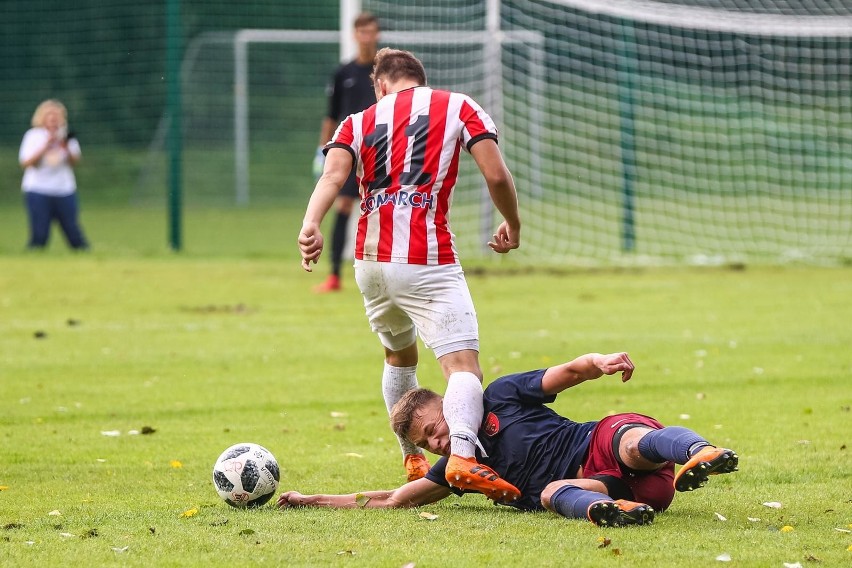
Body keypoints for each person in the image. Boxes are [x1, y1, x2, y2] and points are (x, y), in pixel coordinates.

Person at [298, 47, 523, 500]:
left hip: (370, 263)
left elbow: (331, 177)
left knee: (399, 358)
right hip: (426, 260)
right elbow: (496, 175)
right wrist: (513, 225)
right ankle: (461, 456)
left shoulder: (356, 121)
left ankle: (412, 455)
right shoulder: (458, 105)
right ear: (419, 78)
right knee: (463, 368)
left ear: (380, 85)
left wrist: (310, 224)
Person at [277, 352, 739, 527]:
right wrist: (311, 500)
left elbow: (566, 373)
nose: (438, 443)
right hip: (617, 489)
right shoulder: (460, 468)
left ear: (449, 404)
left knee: (633, 444)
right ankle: (619, 513)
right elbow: (395, 500)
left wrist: (597, 361)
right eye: (427, 442)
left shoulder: (498, 396)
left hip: (595, 444)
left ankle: (700, 453)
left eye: (435, 428)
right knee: (555, 493)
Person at [311, 12, 381, 293]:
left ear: (377, 35)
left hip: (380, 150)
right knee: (342, 206)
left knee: (381, 209)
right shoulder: (343, 73)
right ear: (355, 35)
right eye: (362, 32)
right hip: (349, 151)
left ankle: (383, 273)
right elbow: (331, 115)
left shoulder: (385, 70)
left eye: (371, 32)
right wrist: (322, 149)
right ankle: (335, 276)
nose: (366, 37)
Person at [19, 99, 89, 250]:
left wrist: (65, 146)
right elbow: (26, 162)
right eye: (49, 115)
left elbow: (74, 161)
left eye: (57, 115)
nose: (53, 119)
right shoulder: (33, 136)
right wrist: (46, 146)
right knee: (40, 234)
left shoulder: (66, 136)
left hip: (64, 189)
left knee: (74, 233)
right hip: (38, 189)